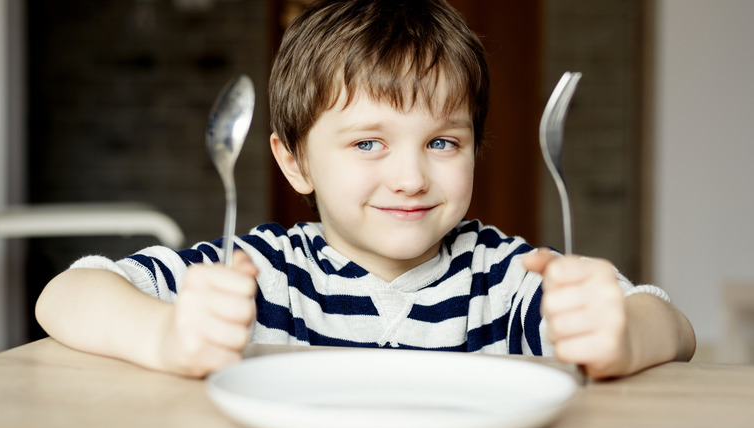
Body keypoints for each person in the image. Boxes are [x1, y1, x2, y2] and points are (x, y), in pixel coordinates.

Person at [36, 0, 695, 379]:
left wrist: (624, 336)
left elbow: (672, 322)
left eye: (443, 142)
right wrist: (166, 337)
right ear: (295, 163)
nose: (410, 176)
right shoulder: (261, 273)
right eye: (368, 143)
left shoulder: (503, 279)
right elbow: (66, 293)